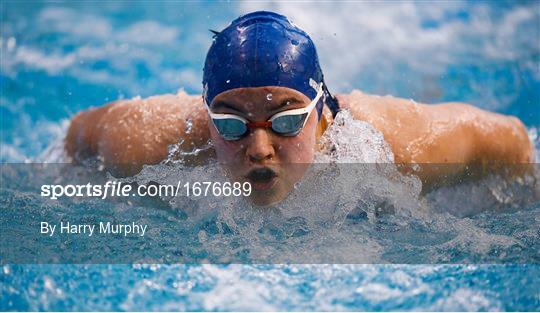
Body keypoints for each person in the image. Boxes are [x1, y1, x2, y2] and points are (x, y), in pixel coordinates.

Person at [65, 11, 534, 206]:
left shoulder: (396, 144)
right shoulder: (151, 143)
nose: (260, 148)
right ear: (206, 119)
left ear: (320, 112)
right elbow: (77, 135)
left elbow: (511, 138)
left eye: (288, 120)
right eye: (230, 125)